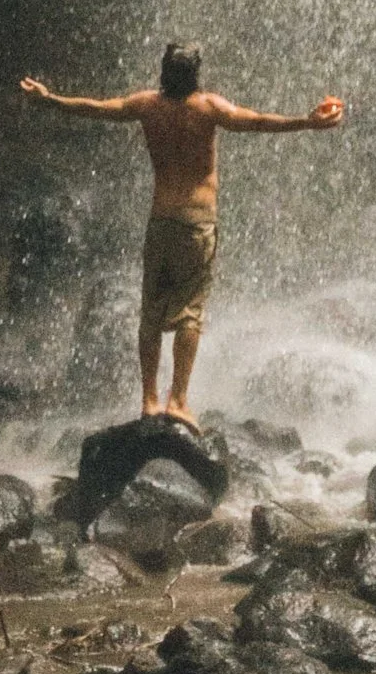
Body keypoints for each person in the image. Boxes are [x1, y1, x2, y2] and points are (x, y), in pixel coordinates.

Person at [18, 41, 345, 424]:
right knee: (190, 314)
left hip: (161, 223)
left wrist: (50, 99)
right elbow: (256, 121)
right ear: (196, 73)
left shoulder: (146, 106)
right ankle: (178, 401)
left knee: (151, 315)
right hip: (196, 224)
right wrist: (306, 122)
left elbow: (97, 108)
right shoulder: (208, 108)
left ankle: (148, 400)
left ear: (163, 70)